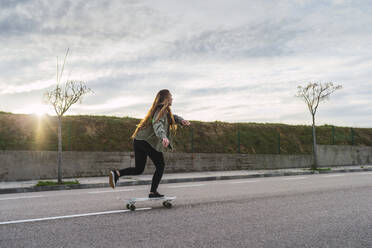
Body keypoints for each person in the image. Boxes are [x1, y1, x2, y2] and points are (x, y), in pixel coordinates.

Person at [109, 89, 190, 198]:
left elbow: (172, 118)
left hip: (139, 140)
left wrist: (181, 121)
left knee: (139, 169)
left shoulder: (162, 111)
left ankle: (117, 173)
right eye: (170, 96)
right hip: (146, 142)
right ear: (166, 99)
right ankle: (153, 192)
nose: (172, 98)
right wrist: (163, 137)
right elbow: (157, 124)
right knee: (160, 165)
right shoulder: (160, 111)